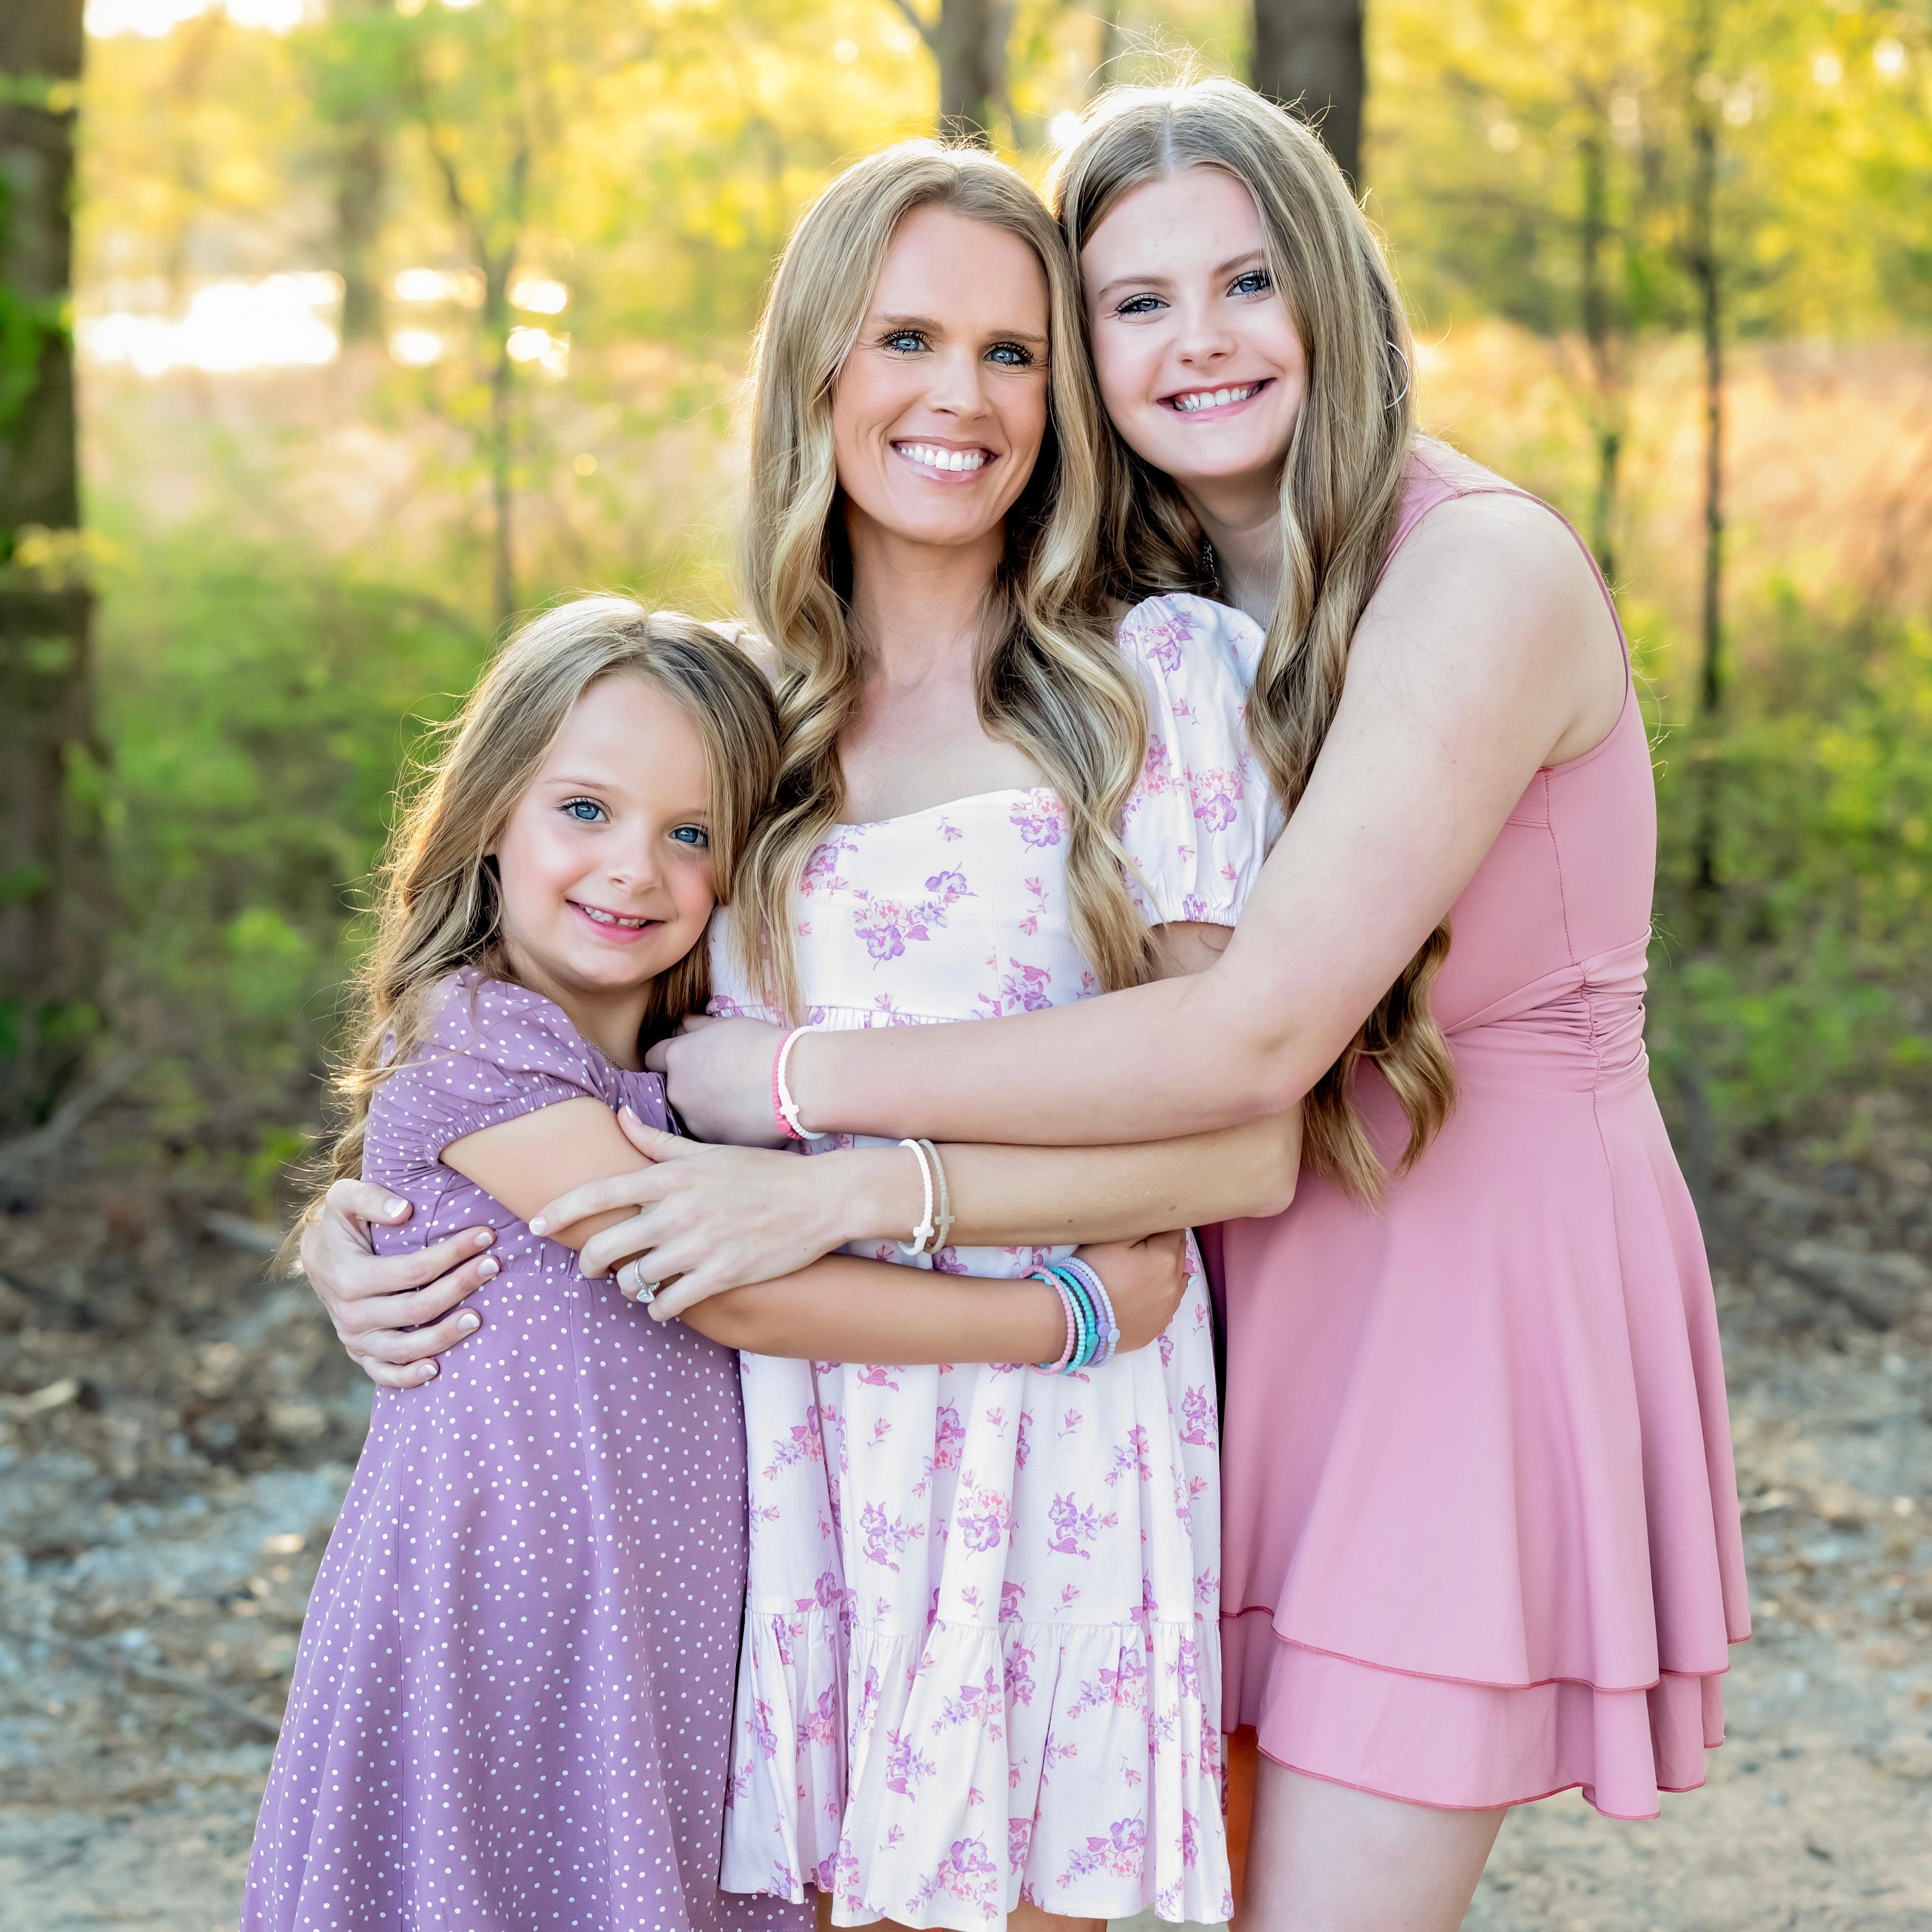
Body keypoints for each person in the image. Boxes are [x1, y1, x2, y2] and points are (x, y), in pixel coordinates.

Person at [594, 82, 1752, 1931]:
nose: (1196, 340)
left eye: (1245, 281)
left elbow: (1246, 1052)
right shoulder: (1151, 622)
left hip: (1455, 1286)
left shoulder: (1474, 566)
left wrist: (800, 1097)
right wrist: (384, 1190)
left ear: (1337, 299)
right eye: (1131, 302)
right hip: (1214, 1292)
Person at [243, 597, 1190, 1932]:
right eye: (584, 811)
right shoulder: (475, 1038)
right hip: (514, 1607)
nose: (634, 868)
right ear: (490, 813)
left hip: (668, 1607)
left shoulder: (695, 1058)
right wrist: (1061, 1317)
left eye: (691, 836)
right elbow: (725, 1281)